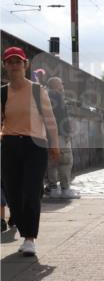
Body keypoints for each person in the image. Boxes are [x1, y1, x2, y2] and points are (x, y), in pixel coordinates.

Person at [1, 46, 61, 257]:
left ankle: (29, 238)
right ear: (5, 66)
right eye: (10, 62)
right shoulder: (2, 93)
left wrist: (54, 144)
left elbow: (50, 119)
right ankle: (24, 230)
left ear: (25, 65)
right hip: (9, 145)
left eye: (18, 62)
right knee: (12, 192)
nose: (15, 65)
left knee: (31, 191)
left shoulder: (37, 90)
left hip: (35, 145)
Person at [44, 77, 79, 199]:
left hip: (47, 135)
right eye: (61, 84)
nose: (63, 86)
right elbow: (61, 116)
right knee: (65, 161)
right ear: (56, 85)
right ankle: (65, 189)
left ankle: (53, 188)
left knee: (51, 162)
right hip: (59, 134)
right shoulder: (57, 96)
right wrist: (67, 132)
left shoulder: (44, 96)